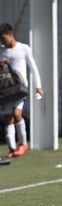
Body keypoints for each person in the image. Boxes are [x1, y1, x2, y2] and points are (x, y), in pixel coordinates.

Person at [0, 23, 44, 158]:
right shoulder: (1, 51)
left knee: (17, 113)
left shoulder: (24, 48)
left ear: (10, 34)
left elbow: (33, 67)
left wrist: (38, 86)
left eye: (3, 38)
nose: (2, 42)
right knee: (8, 118)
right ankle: (12, 148)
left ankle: (23, 143)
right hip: (6, 89)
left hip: (19, 88)